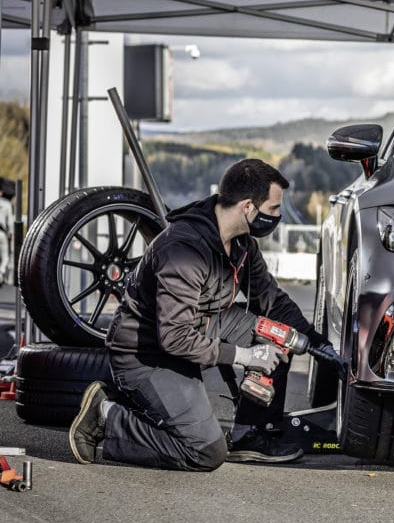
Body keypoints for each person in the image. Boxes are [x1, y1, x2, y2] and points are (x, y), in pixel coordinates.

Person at [68, 159, 339, 471]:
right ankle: (108, 416)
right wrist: (244, 356)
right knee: (205, 451)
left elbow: (272, 300)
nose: (277, 216)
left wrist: (315, 343)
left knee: (278, 334)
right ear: (248, 206)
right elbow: (174, 338)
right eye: (274, 208)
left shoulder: (241, 244)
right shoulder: (183, 251)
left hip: (201, 328)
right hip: (147, 354)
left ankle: (249, 436)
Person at [0, 180, 13, 287]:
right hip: (2, 233)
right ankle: (1, 272)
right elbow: (10, 222)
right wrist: (10, 234)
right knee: (5, 256)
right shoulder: (7, 204)